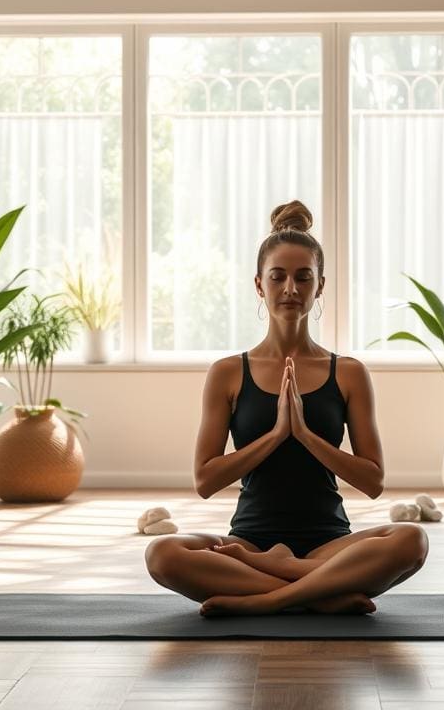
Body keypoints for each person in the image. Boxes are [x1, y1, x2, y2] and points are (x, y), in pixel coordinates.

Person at [145, 200, 428, 617]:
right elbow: (205, 480)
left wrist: (306, 436)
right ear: (260, 285)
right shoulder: (228, 372)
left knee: (412, 540)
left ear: (320, 285)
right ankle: (324, 593)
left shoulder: (348, 373)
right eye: (278, 277)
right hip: (248, 542)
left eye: (303, 277)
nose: (291, 289)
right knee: (162, 553)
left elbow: (373, 481)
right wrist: (276, 435)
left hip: (329, 543)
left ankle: (270, 597)